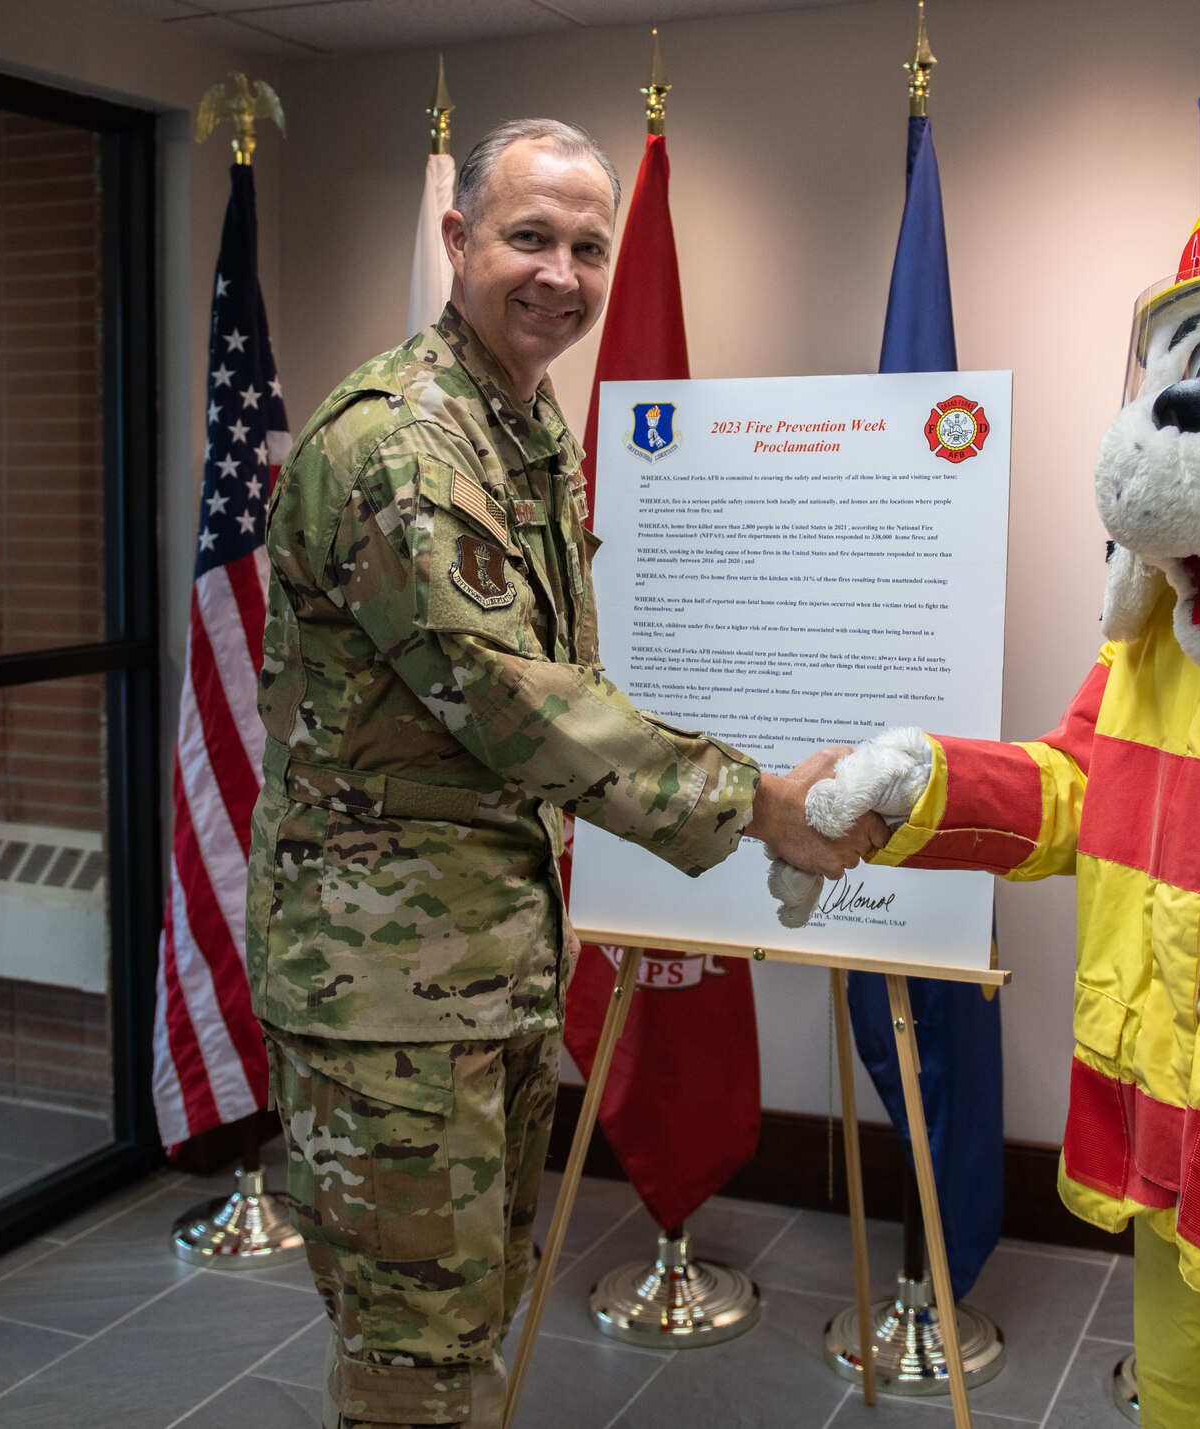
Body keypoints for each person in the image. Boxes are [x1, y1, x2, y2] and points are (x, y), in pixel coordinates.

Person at [246, 117, 880, 1429]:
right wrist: (757, 804)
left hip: (478, 967)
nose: (565, 275)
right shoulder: (402, 447)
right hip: (388, 995)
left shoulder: (518, 432)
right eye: (530, 237)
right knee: (413, 1364)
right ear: (457, 238)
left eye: (591, 248)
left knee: (470, 1321)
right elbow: (511, 702)